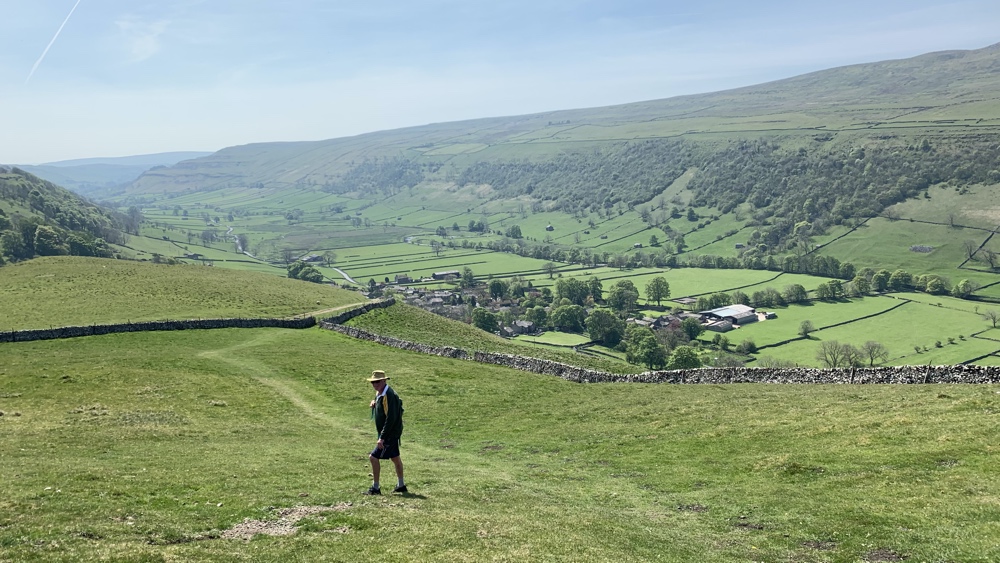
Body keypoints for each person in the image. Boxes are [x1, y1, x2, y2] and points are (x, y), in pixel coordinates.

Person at [364, 370, 406, 495]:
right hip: (391, 433)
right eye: (372, 382)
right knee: (395, 458)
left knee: (373, 457)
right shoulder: (381, 393)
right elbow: (380, 401)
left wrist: (382, 437)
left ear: (384, 381)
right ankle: (401, 485)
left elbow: (391, 418)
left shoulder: (389, 395)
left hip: (389, 434)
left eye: (377, 382)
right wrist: (374, 402)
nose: (374, 384)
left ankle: (376, 488)